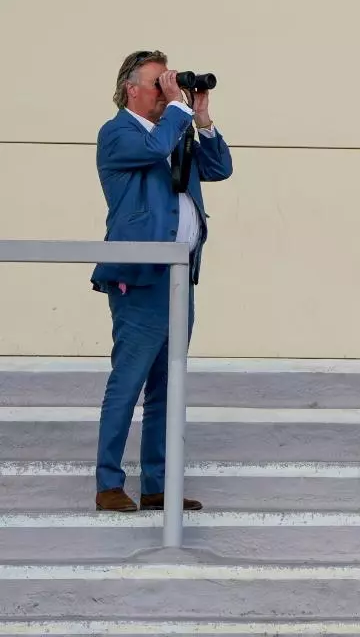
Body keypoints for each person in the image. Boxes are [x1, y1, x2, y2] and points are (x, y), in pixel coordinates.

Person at [89, 50, 234, 512]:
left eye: (170, 83)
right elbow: (153, 151)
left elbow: (218, 169)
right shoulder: (117, 133)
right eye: (158, 82)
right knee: (128, 382)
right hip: (140, 277)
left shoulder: (177, 130)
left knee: (167, 388)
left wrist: (203, 119)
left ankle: (157, 486)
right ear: (131, 89)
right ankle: (109, 483)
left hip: (179, 278)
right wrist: (178, 110)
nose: (167, 90)